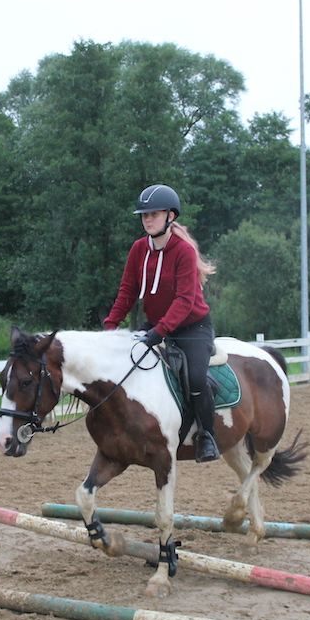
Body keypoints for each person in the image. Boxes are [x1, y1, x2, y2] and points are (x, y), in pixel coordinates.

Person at [103, 184, 220, 463]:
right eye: (144, 215)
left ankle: (207, 436)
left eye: (153, 214)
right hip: (156, 325)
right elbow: (127, 292)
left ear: (170, 216)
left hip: (192, 328)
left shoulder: (183, 251)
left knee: (195, 379)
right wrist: (110, 326)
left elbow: (184, 300)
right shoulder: (138, 249)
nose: (147, 220)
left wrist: (160, 332)